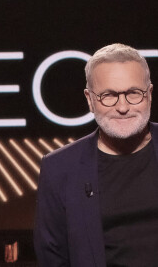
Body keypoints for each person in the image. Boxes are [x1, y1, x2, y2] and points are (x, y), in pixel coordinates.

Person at [34, 43, 158, 266]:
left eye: (133, 93)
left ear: (149, 94)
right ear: (90, 100)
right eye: (108, 95)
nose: (122, 107)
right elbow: (53, 257)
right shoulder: (59, 169)